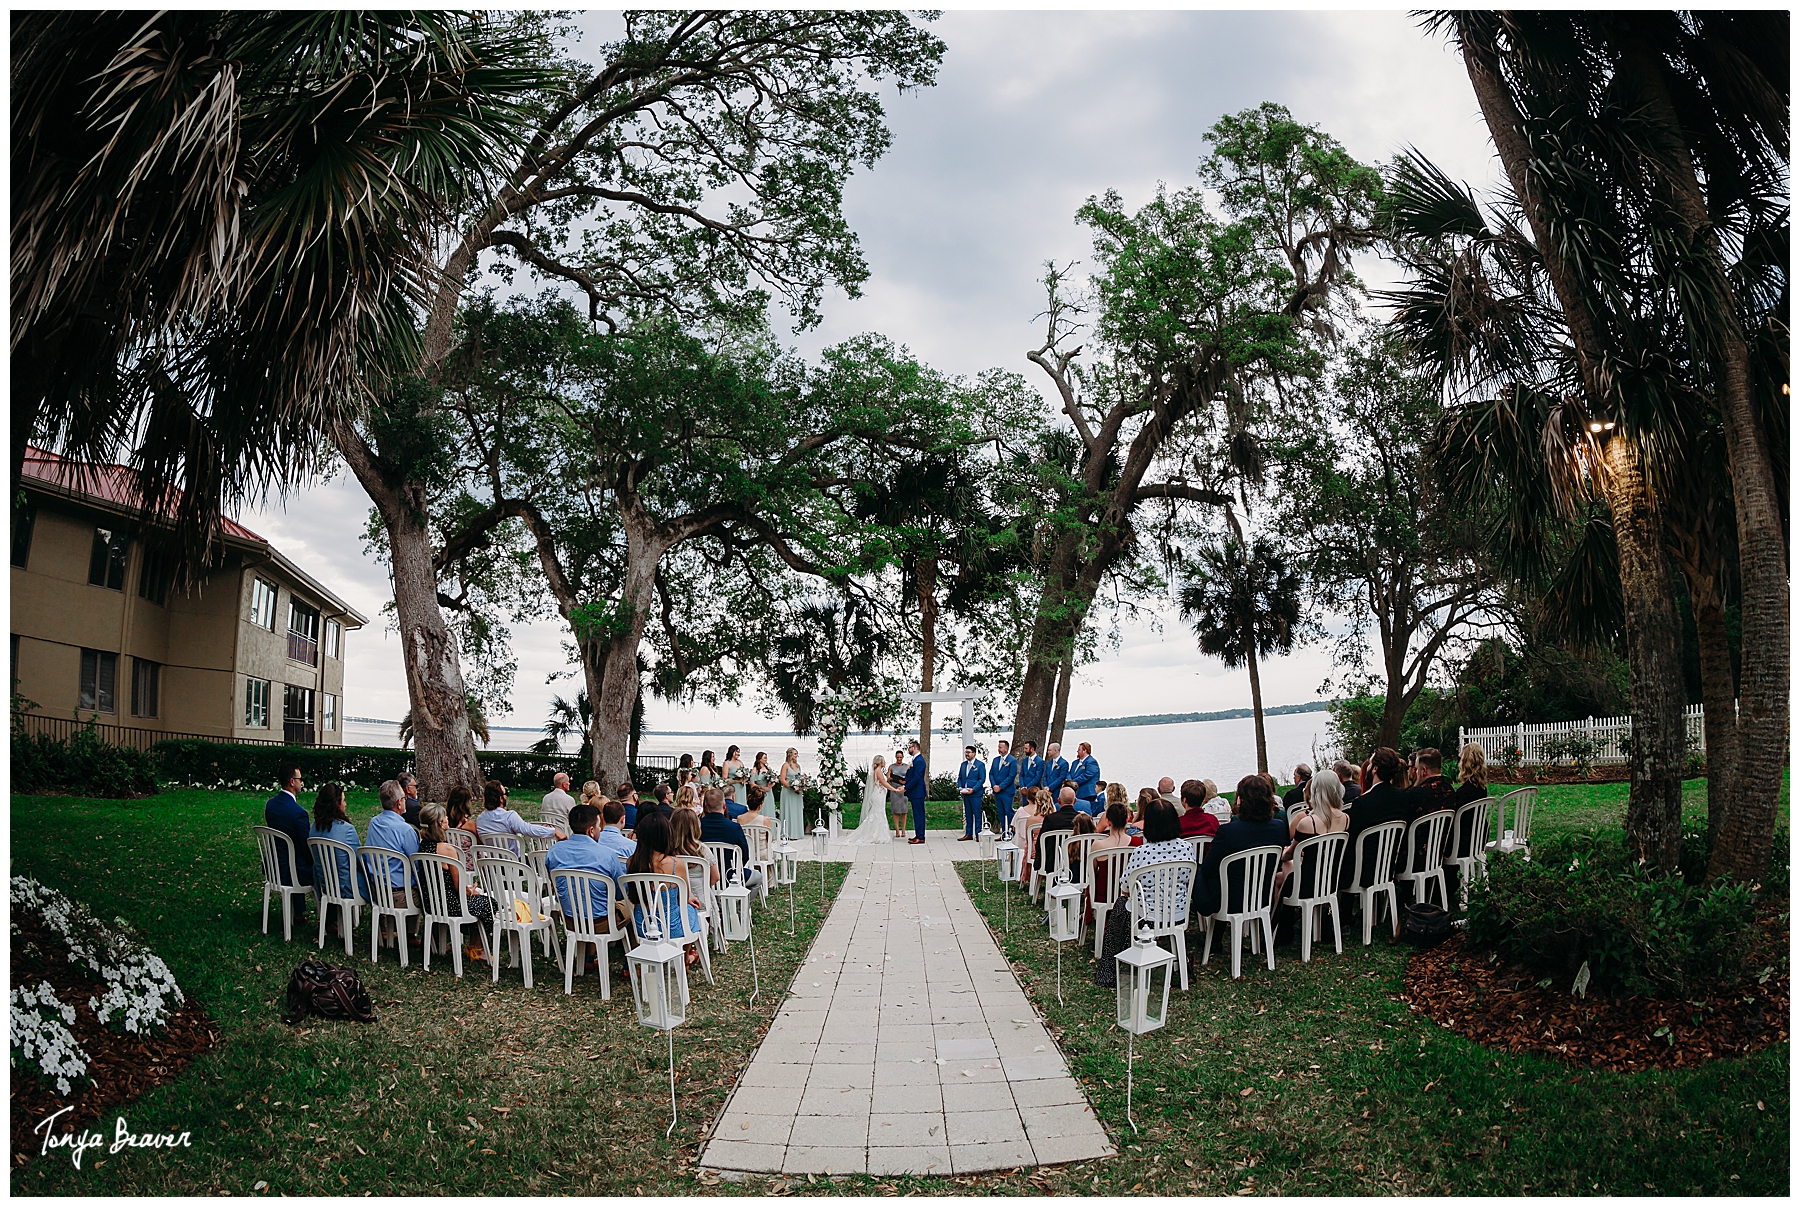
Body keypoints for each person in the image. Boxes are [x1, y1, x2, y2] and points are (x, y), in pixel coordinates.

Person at [1195, 775, 1289, 917]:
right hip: (1264, 894)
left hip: (1232, 898)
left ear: (1241, 801)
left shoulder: (1229, 831)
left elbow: (1208, 868)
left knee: (1199, 871)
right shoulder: (1279, 827)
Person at [546, 803, 630, 944]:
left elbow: (555, 884)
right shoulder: (607, 855)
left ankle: (588, 958)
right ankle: (632, 961)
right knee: (635, 904)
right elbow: (620, 892)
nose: (600, 830)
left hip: (570, 920)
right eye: (599, 827)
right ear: (591, 830)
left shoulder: (554, 852)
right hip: (601, 923)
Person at [624, 814, 701, 965]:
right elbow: (683, 897)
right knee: (691, 909)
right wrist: (689, 896)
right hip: (671, 926)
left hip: (643, 925)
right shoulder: (675, 863)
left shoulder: (631, 862)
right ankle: (685, 957)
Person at [419, 803, 495, 941]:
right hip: (451, 905)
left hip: (430, 903)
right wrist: (470, 891)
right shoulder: (447, 850)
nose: (448, 818)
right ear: (441, 823)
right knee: (489, 903)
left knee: (478, 902)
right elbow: (459, 887)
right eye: (445, 817)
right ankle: (476, 946)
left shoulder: (422, 847)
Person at [1345, 747, 1412, 891]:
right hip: (1389, 867)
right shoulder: (1404, 797)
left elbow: (1352, 838)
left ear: (1375, 769)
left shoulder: (1363, 803)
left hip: (1363, 870)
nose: (1367, 767)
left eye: (1369, 764)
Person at [364, 779, 420, 917]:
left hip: (377, 891)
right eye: (404, 797)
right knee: (428, 895)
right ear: (398, 803)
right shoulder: (405, 830)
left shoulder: (374, 823)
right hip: (400, 895)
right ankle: (412, 934)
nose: (406, 800)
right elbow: (417, 863)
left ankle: (390, 928)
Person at [308, 783, 358, 925]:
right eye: (343, 800)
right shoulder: (347, 830)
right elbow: (359, 860)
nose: (346, 804)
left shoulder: (314, 828)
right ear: (336, 804)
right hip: (346, 888)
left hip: (324, 885)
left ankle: (332, 920)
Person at [263, 762, 314, 900]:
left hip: (274, 866)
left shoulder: (271, 805)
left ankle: (298, 912)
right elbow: (305, 845)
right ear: (292, 781)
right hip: (293, 870)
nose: (302, 782)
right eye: (300, 779)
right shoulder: (299, 813)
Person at [701, 787, 765, 889]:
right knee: (758, 877)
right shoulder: (734, 827)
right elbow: (745, 855)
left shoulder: (697, 827)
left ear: (705, 806)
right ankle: (743, 905)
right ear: (724, 805)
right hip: (730, 876)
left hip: (705, 876)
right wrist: (736, 869)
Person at [476, 779, 564, 853]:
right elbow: (528, 829)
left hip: (491, 867)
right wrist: (553, 831)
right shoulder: (509, 816)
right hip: (515, 865)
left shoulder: (480, 820)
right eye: (505, 793)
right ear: (501, 799)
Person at [846, 755, 894, 847]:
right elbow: (883, 783)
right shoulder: (878, 771)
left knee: (878, 813)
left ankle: (877, 833)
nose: (885, 762)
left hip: (879, 794)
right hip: (878, 795)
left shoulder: (876, 771)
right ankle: (876, 835)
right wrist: (894, 789)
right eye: (883, 761)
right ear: (880, 762)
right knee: (878, 813)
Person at [1036, 786, 1082, 873]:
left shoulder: (1051, 819)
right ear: (1075, 801)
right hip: (1076, 863)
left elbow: (1041, 842)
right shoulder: (1081, 819)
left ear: (1059, 800)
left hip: (1054, 863)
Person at [1402, 748, 1456, 820]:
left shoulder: (1415, 794)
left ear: (1424, 770)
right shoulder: (1450, 790)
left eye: (1417, 769)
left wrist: (1416, 784)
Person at [988, 739, 1019, 835]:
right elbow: (991, 773)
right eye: (998, 747)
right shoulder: (996, 760)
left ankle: (1011, 833)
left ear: (1006, 749)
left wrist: (1001, 786)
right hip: (997, 792)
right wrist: (994, 785)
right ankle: (1004, 833)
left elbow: (1011, 776)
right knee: (1000, 812)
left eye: (1000, 747)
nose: (998, 749)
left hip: (1007, 791)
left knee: (1008, 811)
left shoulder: (1012, 761)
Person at [956, 745, 986, 840]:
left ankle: (978, 834)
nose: (967, 754)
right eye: (966, 752)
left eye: (969, 752)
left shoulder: (980, 765)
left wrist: (974, 789)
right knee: (968, 814)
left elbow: (982, 779)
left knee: (977, 814)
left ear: (974, 753)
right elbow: (960, 777)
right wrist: (960, 787)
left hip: (975, 794)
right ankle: (968, 833)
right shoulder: (963, 764)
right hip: (965, 793)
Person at [777, 748, 806, 842]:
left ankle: (797, 832)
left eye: (797, 754)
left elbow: (800, 778)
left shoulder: (798, 766)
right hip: (788, 792)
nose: (796, 755)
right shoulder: (785, 765)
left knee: (796, 811)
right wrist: (792, 788)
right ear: (790, 755)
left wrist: (800, 787)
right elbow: (782, 779)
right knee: (788, 810)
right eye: (794, 754)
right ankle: (787, 832)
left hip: (797, 793)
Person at [903, 740, 928, 845]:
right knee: (916, 814)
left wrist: (906, 787)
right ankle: (918, 835)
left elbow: (917, 778)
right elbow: (912, 775)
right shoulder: (915, 760)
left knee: (919, 814)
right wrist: (908, 770)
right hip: (915, 792)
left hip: (918, 792)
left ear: (914, 748)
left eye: (910, 747)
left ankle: (921, 837)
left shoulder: (919, 760)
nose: (908, 749)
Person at [1069, 742, 1101, 816]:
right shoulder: (1075, 763)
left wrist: (1073, 782)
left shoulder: (1092, 762)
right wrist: (1069, 780)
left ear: (1085, 750)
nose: (1077, 751)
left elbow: (1087, 775)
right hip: (1077, 793)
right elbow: (1069, 773)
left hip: (1087, 794)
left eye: (1079, 749)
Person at [886, 749, 910, 837]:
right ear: (895, 757)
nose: (899, 759)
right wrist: (892, 778)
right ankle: (897, 830)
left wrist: (905, 782)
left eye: (900, 757)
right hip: (894, 788)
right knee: (895, 810)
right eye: (897, 757)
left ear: (903, 757)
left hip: (903, 789)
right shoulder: (891, 767)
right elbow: (888, 777)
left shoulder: (907, 766)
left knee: (904, 810)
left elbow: (910, 777)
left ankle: (903, 830)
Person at [723, 745, 749, 812]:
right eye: (736, 752)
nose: (738, 754)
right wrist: (736, 781)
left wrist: (745, 778)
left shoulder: (740, 763)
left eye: (739, 752)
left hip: (742, 788)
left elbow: (746, 775)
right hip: (733, 788)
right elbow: (724, 780)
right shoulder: (727, 763)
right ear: (732, 752)